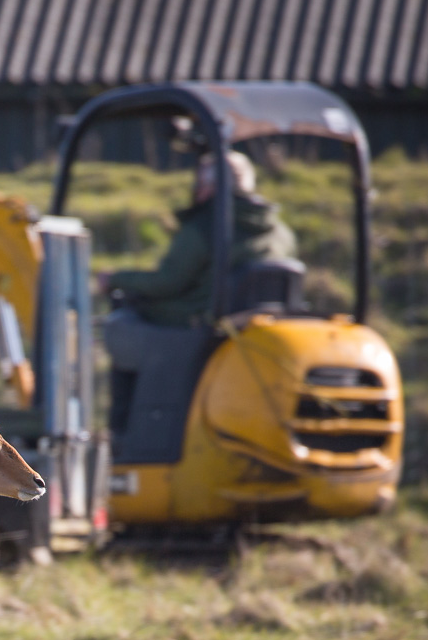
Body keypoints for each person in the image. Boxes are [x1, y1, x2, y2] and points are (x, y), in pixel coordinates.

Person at [98, 151, 296, 437]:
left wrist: (116, 279)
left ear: (211, 187)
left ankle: (125, 438)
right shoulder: (280, 231)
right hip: (257, 333)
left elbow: (168, 281)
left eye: (201, 184)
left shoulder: (205, 226)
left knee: (119, 327)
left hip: (199, 329)